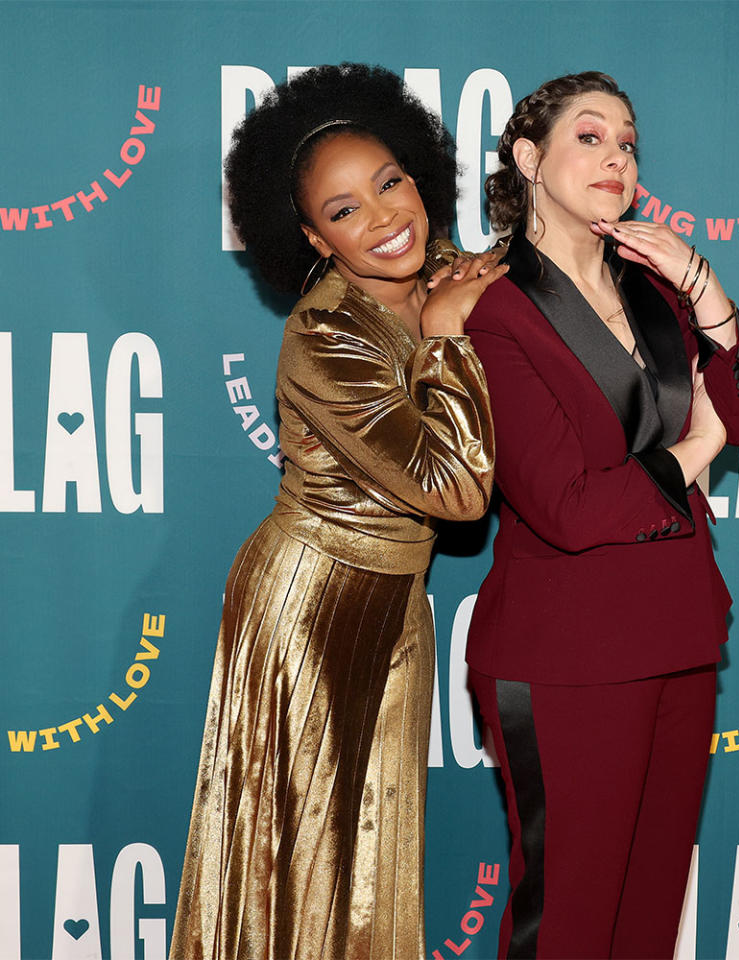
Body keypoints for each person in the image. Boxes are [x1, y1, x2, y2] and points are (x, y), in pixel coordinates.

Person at [170, 63, 505, 960]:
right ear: (313, 237)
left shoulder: (444, 273)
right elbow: (457, 489)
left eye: (389, 183)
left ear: (421, 179)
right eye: (346, 209)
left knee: (372, 865)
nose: (384, 216)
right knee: (303, 864)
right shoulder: (326, 334)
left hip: (395, 600)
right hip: (308, 606)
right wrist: (446, 338)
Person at [463, 72, 739, 959]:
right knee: (569, 924)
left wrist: (704, 286)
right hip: (568, 656)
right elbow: (565, 505)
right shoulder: (492, 310)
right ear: (529, 157)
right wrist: (691, 451)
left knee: (646, 923)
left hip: (679, 636)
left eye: (629, 142)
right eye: (590, 136)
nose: (617, 157)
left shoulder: (658, 289)